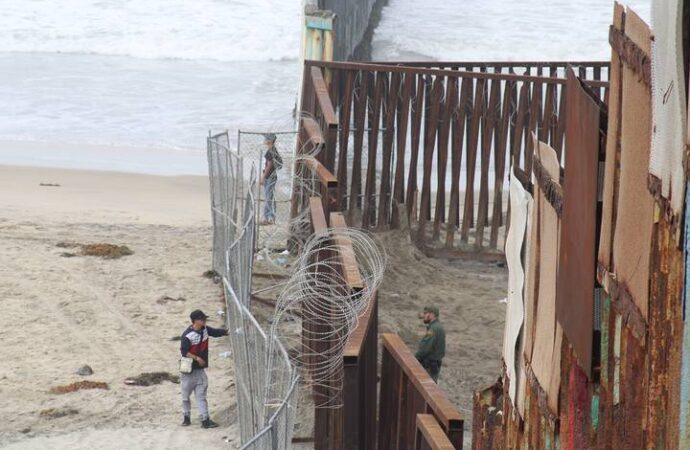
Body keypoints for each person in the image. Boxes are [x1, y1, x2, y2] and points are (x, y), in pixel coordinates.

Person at [179, 309, 229, 428]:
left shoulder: (205, 329)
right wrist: (197, 358)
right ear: (195, 321)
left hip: (200, 370)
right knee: (185, 395)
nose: (204, 320)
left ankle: (205, 420)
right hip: (188, 370)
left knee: (201, 394)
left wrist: (228, 332)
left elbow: (216, 332)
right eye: (202, 319)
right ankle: (186, 417)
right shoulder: (187, 335)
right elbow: (184, 352)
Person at [415, 305, 446, 383]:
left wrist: (414, 359)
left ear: (431, 315)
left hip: (429, 367)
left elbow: (425, 348)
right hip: (433, 365)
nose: (424, 316)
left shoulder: (434, 329)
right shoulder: (438, 327)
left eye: (426, 313)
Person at [260, 133, 281, 225]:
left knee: (268, 197)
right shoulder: (273, 150)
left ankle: (269, 218)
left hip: (270, 177)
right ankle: (268, 217)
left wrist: (263, 177)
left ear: (270, 140)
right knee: (268, 197)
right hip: (271, 176)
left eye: (266, 138)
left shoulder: (270, 151)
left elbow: (269, 165)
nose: (264, 139)